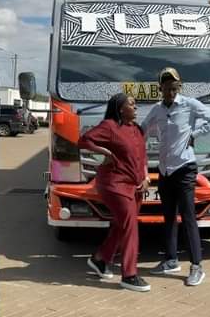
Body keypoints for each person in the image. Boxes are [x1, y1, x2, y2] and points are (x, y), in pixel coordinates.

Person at [141, 68, 210, 287]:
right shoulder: (156, 109)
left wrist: (194, 135)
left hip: (185, 168)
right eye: (166, 87)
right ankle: (171, 260)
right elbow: (143, 129)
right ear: (160, 88)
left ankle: (197, 267)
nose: (170, 91)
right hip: (165, 171)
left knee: (188, 218)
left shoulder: (190, 104)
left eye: (174, 87)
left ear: (179, 86)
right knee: (168, 218)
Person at [77, 93, 150, 292]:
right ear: (120, 108)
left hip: (134, 184)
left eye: (135, 105)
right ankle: (129, 275)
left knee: (121, 225)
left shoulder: (136, 129)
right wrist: (105, 152)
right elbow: (83, 141)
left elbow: (142, 157)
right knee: (130, 225)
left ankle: (100, 259)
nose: (135, 108)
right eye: (131, 104)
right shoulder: (110, 126)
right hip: (113, 182)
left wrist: (145, 177)